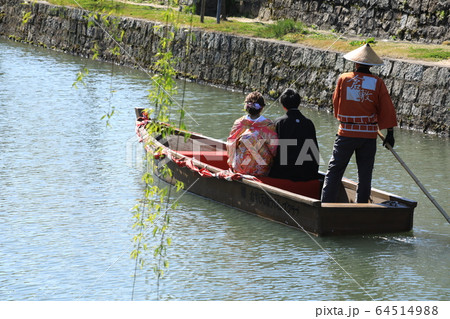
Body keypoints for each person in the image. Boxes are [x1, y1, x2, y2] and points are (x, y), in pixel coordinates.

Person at [321, 43, 397, 203]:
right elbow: (386, 108)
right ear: (370, 65)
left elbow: (336, 104)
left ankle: (326, 204)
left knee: (335, 170)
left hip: (347, 133)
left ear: (355, 62)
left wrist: (345, 118)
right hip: (368, 135)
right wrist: (390, 133)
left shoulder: (344, 79)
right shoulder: (377, 83)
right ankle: (361, 206)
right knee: (365, 173)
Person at [269, 88, 319, 181]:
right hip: (306, 173)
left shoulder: (278, 123)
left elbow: (272, 150)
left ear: (283, 105)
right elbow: (315, 151)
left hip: (283, 173)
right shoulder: (309, 123)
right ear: (299, 103)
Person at [227, 91, 278, 176]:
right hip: (262, 169)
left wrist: (231, 163)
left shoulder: (239, 123)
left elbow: (231, 144)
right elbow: (274, 149)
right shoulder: (268, 125)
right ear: (262, 108)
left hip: (240, 168)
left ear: (246, 106)